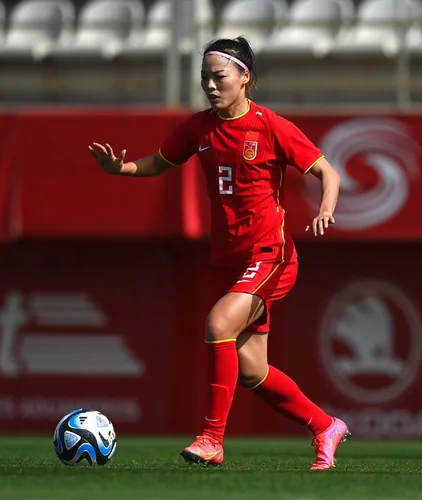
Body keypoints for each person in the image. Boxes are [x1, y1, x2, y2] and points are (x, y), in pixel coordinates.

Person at [89, 36, 348, 470]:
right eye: (205, 77)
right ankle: (326, 426)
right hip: (230, 259)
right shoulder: (199, 127)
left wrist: (325, 209)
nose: (210, 85)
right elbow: (161, 160)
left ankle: (211, 439)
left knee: (217, 322)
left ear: (245, 78)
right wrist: (123, 168)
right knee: (251, 371)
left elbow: (326, 170)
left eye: (219, 76)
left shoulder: (270, 127)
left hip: (272, 255)